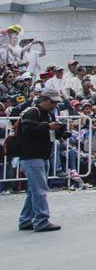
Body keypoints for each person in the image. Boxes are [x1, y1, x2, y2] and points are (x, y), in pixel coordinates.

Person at [17, 89, 67, 232]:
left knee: (34, 190)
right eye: (52, 102)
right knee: (40, 190)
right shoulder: (32, 112)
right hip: (32, 156)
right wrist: (47, 126)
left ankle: (26, 220)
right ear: (43, 99)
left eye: (56, 103)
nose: (54, 105)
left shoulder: (48, 114)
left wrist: (61, 132)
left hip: (41, 156)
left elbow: (48, 133)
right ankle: (41, 220)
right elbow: (27, 131)